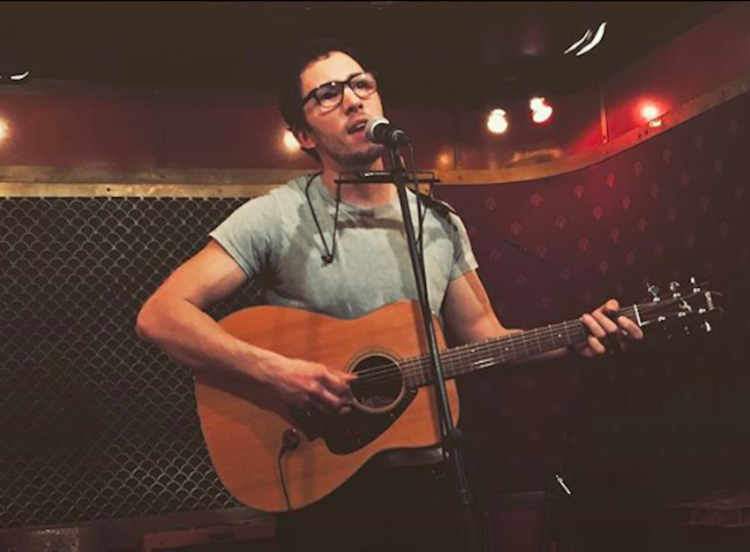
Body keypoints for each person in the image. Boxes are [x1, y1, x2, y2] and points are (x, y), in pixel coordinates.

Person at [136, 39, 644, 552]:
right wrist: (278, 373)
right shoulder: (278, 217)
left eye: (362, 84)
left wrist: (574, 338)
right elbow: (161, 315)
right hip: (323, 488)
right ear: (303, 134)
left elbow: (485, 337)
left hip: (431, 486)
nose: (353, 99)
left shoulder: (439, 222)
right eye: (328, 93)